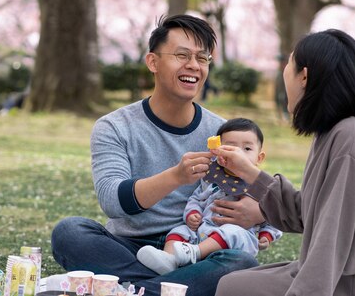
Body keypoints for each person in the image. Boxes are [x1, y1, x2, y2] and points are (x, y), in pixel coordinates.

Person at [50, 15, 261, 296]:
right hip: (129, 245)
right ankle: (170, 287)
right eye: (182, 55)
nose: (193, 66)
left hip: (194, 246)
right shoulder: (114, 126)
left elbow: (252, 185)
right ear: (153, 62)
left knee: (240, 262)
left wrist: (259, 211)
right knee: (70, 233)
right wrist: (176, 176)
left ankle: (129, 290)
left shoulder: (221, 132)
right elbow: (112, 201)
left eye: (202, 58)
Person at [213, 29, 355, 296]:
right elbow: (307, 213)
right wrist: (249, 172)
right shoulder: (332, 132)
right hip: (340, 274)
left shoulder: (350, 137)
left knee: (233, 289)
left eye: (289, 64)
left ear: (304, 76)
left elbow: (331, 238)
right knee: (233, 283)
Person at [136, 118, 282, 275]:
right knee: (179, 231)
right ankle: (167, 259)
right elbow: (197, 198)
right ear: (218, 152)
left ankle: (193, 253)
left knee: (232, 231)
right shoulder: (212, 178)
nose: (238, 154)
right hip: (202, 231)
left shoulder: (260, 183)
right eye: (230, 148)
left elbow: (274, 215)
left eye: (247, 149)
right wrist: (193, 213)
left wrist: (266, 235)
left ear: (259, 158)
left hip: (236, 238)